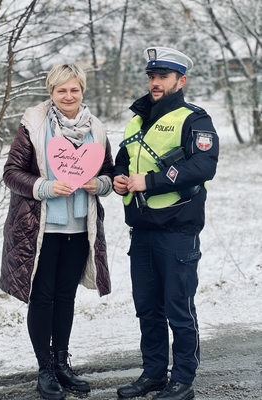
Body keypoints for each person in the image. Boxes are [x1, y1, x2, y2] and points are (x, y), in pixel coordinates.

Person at [0, 63, 114, 400]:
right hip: (41, 228)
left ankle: (63, 363)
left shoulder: (97, 129)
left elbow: (108, 174)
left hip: (80, 229)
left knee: (66, 297)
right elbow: (11, 172)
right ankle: (45, 368)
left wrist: (101, 184)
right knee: (43, 297)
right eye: (61, 90)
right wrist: (44, 187)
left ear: (82, 91)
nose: (68, 96)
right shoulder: (33, 124)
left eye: (74, 89)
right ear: (50, 92)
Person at [113, 47, 219, 400]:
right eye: (152, 76)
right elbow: (122, 159)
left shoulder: (195, 118)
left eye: (163, 77)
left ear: (180, 80)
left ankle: (183, 380)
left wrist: (152, 181)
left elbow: (203, 167)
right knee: (148, 309)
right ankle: (154, 374)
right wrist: (118, 178)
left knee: (178, 308)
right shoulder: (137, 120)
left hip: (177, 231)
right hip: (141, 231)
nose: (155, 83)